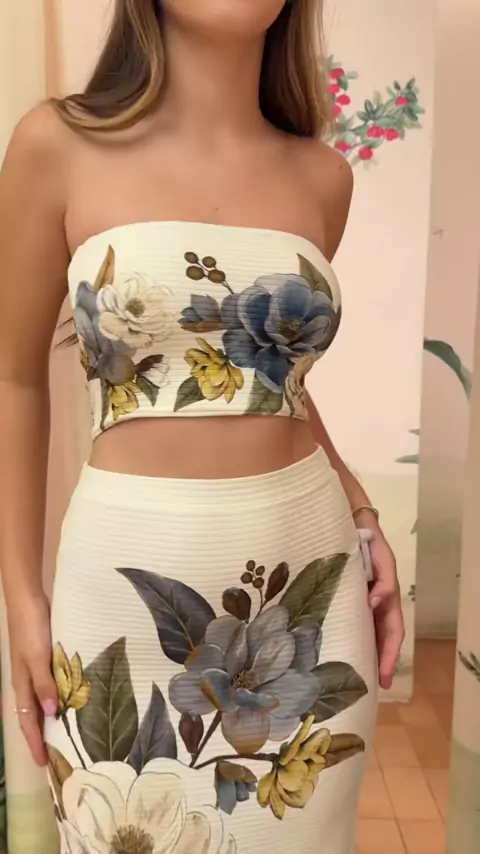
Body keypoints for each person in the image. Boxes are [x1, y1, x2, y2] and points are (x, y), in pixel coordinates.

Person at [0, 1, 404, 851]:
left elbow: (277, 383)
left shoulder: (323, 176)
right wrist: (21, 597)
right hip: (116, 595)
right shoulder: (56, 144)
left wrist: (365, 513)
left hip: (308, 594)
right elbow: (13, 377)